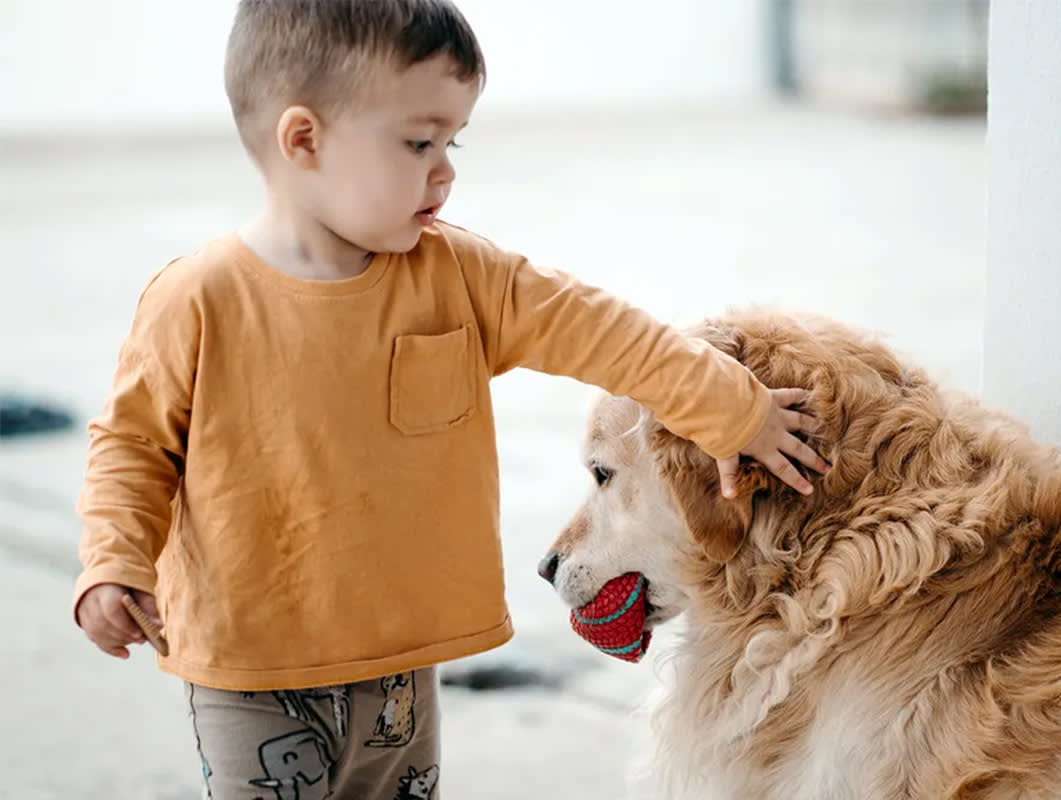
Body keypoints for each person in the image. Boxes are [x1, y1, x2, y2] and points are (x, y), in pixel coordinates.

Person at [73, 2, 829, 797]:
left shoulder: (463, 277)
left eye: (452, 141)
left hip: (401, 664)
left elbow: (609, 334)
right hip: (252, 668)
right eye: (417, 142)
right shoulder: (198, 299)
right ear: (304, 141)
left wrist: (733, 408)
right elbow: (131, 446)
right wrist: (113, 562)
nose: (445, 170)